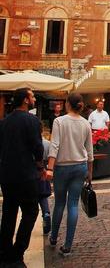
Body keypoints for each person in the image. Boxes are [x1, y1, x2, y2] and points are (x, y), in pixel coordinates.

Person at [46, 92, 94, 258]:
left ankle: (53, 238)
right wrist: (90, 172)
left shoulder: (59, 121)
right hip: (80, 166)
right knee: (73, 204)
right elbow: (90, 151)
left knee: (59, 203)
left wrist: (50, 168)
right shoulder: (86, 123)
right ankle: (67, 246)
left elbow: (54, 146)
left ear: (67, 104)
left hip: (62, 167)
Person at [0, 87, 44, 267]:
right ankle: (17, 253)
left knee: (9, 213)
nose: (34, 98)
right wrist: (40, 165)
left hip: (7, 175)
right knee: (31, 212)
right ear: (26, 100)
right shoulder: (31, 121)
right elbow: (38, 147)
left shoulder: (3, 122)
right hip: (26, 175)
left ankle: (4, 253)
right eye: (32, 96)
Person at [39, 122, 52, 235]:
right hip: (43, 171)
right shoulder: (47, 143)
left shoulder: (28, 142)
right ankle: (46, 213)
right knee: (43, 196)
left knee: (32, 197)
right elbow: (50, 158)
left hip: (32, 171)